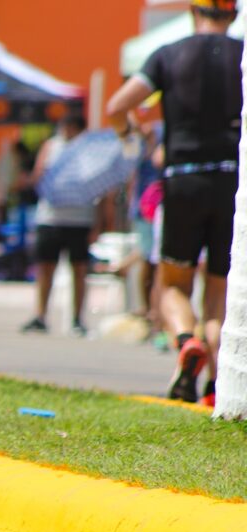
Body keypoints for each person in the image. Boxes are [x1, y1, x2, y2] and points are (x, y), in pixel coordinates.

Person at [105, 0, 241, 405]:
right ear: (232, 15)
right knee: (218, 290)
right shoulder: (243, 55)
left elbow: (116, 106)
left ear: (193, 13)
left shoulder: (169, 53)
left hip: (183, 180)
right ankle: (217, 387)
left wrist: (129, 132)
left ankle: (185, 339)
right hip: (233, 183)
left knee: (172, 284)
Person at [20, 114, 99, 337]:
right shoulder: (51, 146)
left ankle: (77, 318)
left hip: (80, 219)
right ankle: (40, 315)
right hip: (50, 216)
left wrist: (99, 223)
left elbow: (101, 186)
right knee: (45, 267)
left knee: (79, 269)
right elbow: (38, 176)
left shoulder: (89, 150)